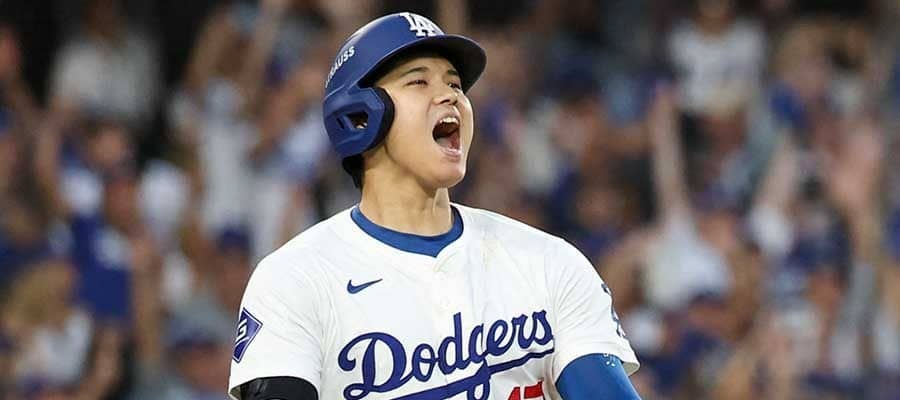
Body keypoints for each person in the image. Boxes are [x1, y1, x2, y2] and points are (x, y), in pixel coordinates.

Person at [228, 12, 641, 400]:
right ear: (359, 117)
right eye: (419, 82)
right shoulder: (295, 279)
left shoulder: (549, 263)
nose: (449, 96)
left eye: (455, 85)